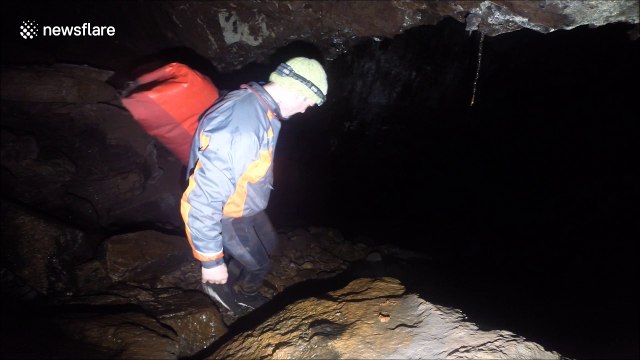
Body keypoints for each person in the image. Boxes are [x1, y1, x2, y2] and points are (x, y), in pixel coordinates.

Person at [180, 57, 328, 313]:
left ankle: (235, 270)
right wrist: (210, 260)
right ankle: (234, 292)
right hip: (230, 214)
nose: (305, 110)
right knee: (259, 263)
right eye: (306, 101)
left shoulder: (260, 103)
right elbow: (202, 199)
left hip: (248, 206)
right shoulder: (242, 127)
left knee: (269, 247)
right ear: (292, 88)